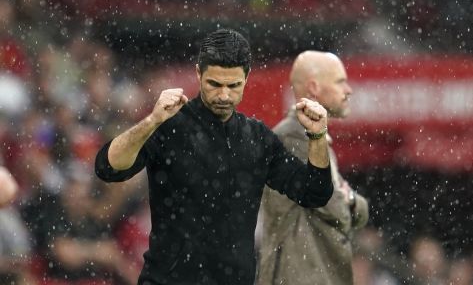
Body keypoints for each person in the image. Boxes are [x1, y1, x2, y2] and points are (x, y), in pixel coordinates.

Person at [94, 29, 334, 285]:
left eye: (233, 85)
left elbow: (314, 193)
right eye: (214, 84)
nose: (223, 95)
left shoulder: (257, 138)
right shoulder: (168, 125)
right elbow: (107, 167)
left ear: (246, 77)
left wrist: (318, 137)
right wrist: (151, 121)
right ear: (199, 74)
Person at [256, 51, 369, 285]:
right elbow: (338, 210)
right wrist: (349, 200)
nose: (349, 90)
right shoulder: (291, 139)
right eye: (340, 82)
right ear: (314, 88)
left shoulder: (312, 140)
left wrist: (350, 203)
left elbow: (356, 212)